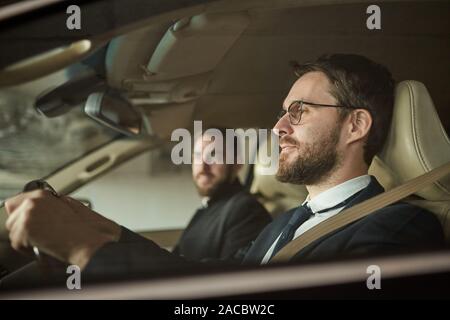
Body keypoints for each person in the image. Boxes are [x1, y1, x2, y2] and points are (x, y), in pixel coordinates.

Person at [3, 54, 445, 279]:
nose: (277, 128)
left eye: (298, 112)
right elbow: (211, 278)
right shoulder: (287, 222)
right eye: (281, 112)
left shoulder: (401, 231)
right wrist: (99, 230)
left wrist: (87, 254)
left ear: (356, 124)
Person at [172, 129, 271, 262]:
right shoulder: (206, 209)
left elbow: (231, 275)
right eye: (197, 156)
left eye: (213, 155)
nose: (202, 166)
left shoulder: (246, 210)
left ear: (237, 164)